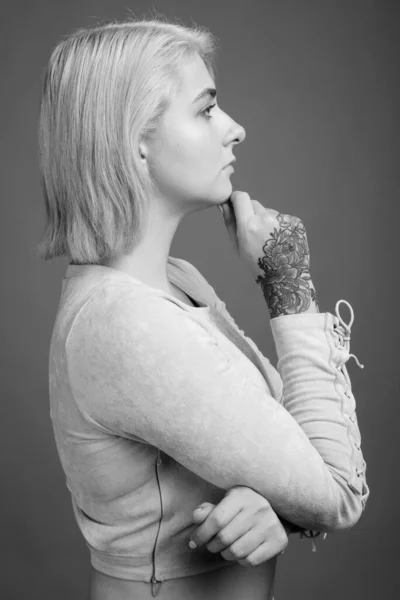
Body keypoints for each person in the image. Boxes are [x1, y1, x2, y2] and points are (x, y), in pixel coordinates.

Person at [37, 16, 370, 600]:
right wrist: (288, 283)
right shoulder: (124, 324)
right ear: (136, 140)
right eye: (205, 109)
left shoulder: (175, 283)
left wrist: (278, 508)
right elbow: (338, 487)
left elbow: (286, 447)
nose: (235, 129)